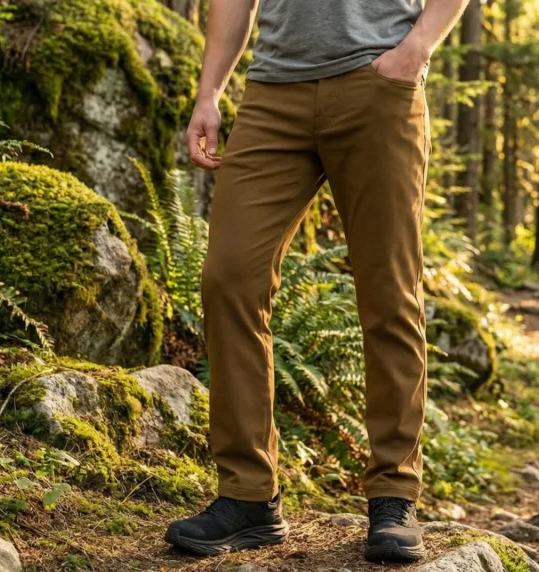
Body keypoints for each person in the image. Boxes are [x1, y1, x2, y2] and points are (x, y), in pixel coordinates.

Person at [165, 0, 470, 563]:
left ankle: (394, 493)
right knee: (230, 278)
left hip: (378, 83)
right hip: (272, 93)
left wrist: (417, 48)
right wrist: (209, 93)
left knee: (388, 290)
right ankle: (248, 496)